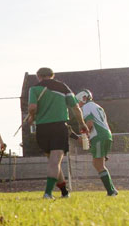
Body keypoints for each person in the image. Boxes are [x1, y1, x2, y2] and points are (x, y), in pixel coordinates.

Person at [28, 67, 89, 199]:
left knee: (52, 161)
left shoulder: (33, 89)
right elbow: (76, 108)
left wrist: (32, 117)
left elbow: (32, 107)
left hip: (42, 128)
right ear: (52, 75)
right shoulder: (63, 87)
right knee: (55, 161)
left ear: (38, 76)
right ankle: (48, 193)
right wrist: (81, 123)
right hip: (58, 126)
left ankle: (64, 191)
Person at [76, 89, 118, 196]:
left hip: (99, 136)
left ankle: (111, 191)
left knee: (98, 165)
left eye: (78, 101)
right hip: (106, 134)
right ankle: (112, 189)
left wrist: (85, 137)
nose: (78, 104)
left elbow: (89, 123)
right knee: (98, 164)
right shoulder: (97, 106)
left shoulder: (86, 107)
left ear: (84, 98)